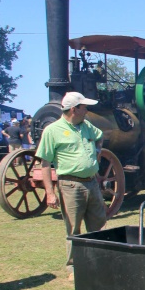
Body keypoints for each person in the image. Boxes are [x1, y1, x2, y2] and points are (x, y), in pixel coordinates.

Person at [35, 92, 106, 278]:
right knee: (74, 228)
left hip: (92, 183)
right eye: (84, 107)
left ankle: (99, 261)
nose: (87, 110)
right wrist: (50, 193)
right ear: (74, 109)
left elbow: (100, 136)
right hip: (70, 185)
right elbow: (44, 164)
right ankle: (74, 267)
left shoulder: (87, 126)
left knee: (98, 223)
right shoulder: (52, 131)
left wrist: (97, 151)